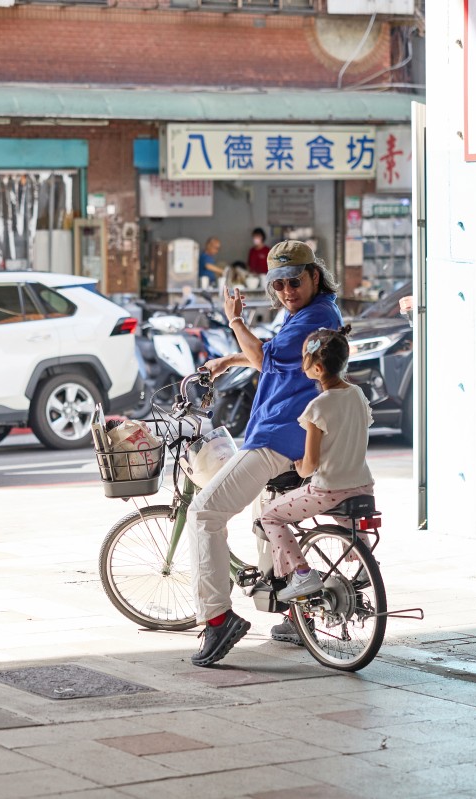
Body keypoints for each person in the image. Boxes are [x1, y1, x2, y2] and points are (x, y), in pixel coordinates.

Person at [187, 240, 343, 667]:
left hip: (279, 437)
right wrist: (230, 360)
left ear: (314, 275)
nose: (287, 290)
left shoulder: (314, 316)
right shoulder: (315, 313)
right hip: (293, 433)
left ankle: (217, 619)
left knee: (204, 513)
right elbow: (274, 361)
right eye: (279, 284)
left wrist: (235, 320)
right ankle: (295, 611)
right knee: (265, 521)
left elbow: (264, 354)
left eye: (295, 280)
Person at [258, 327, 374, 603]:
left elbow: (309, 466)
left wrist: (299, 467)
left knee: (270, 516)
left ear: (318, 368)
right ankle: (365, 563)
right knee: (350, 524)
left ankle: (301, 573)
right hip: (362, 485)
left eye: (304, 360)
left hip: (328, 489)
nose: (302, 364)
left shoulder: (317, 407)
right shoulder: (357, 394)